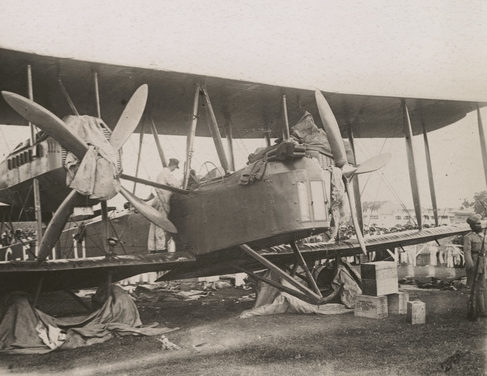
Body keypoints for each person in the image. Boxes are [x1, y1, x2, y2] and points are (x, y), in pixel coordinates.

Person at [147, 158, 180, 253]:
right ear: (173, 165)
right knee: (161, 223)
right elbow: (176, 185)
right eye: (175, 167)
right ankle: (160, 248)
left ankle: (152, 248)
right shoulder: (167, 173)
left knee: (154, 224)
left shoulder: (161, 173)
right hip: (163, 200)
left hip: (158, 199)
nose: (174, 169)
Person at [464, 214, 487, 316]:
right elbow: (467, 252)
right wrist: (470, 265)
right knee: (472, 287)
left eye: (480, 223)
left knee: (481, 286)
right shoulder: (468, 237)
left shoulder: (483, 236)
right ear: (472, 226)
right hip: (474, 262)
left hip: (482, 262)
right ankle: (471, 310)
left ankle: (482, 310)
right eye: (477, 224)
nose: (480, 225)